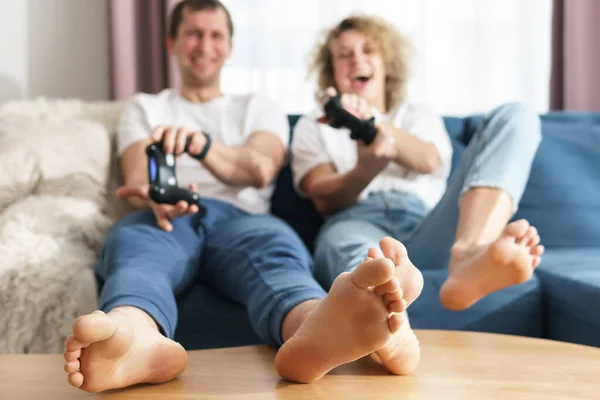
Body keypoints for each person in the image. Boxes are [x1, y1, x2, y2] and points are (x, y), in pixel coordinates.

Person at [62, 1, 422, 392]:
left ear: (230, 47)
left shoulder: (256, 106)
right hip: (167, 218)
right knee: (136, 248)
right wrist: (154, 197)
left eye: (216, 36)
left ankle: (316, 327)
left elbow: (260, 167)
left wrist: (201, 147)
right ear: (172, 42)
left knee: (276, 256)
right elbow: (137, 176)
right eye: (194, 34)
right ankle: (134, 337)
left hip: (243, 218)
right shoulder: (145, 107)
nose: (204, 45)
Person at [291, 15, 545, 314]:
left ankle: (469, 254)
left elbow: (428, 160)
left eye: (368, 51)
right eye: (344, 55)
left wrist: (372, 124)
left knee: (517, 116)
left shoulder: (417, 114)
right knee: (348, 247)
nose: (356, 60)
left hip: (428, 225)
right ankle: (382, 295)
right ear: (331, 71)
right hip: (355, 222)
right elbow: (324, 198)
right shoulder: (314, 124)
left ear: (387, 64)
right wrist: (364, 171)